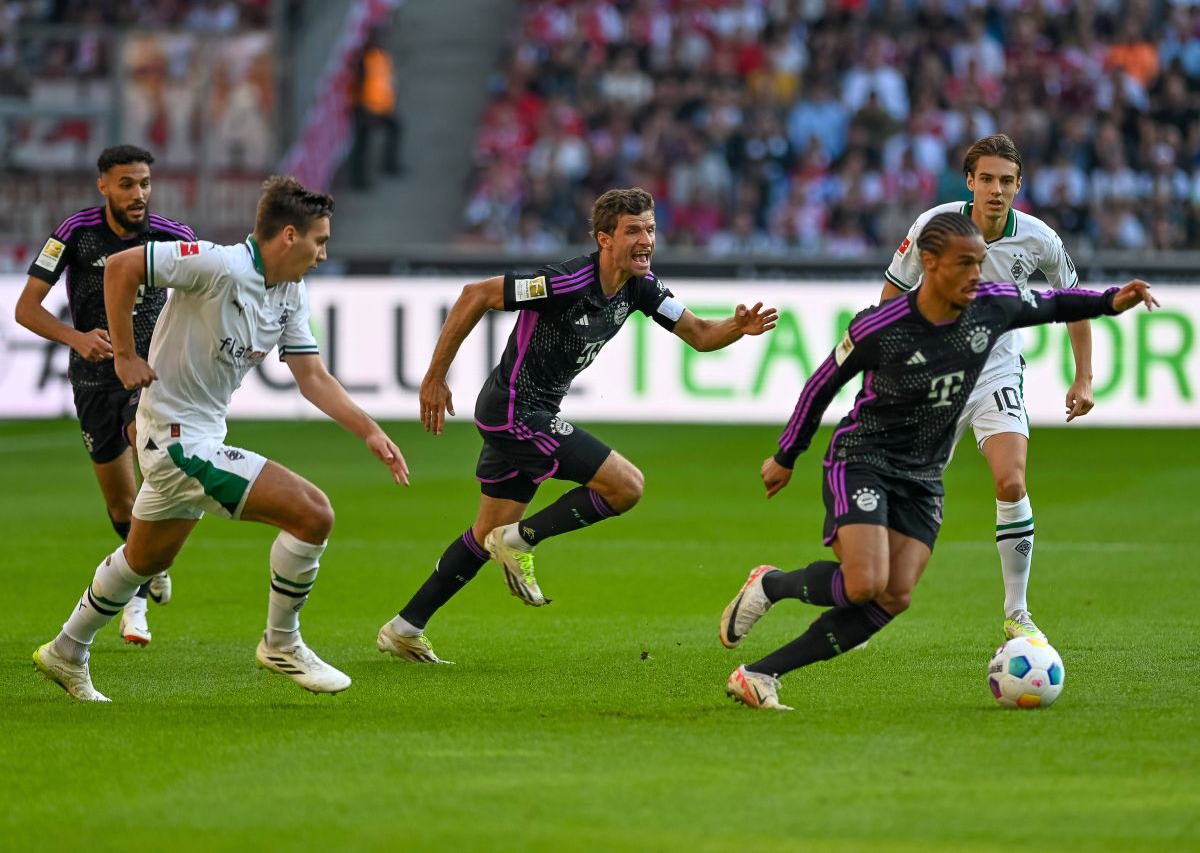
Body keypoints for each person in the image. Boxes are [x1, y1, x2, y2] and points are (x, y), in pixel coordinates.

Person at [719, 213, 1157, 710]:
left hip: (924, 475)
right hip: (863, 459)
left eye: (980, 263)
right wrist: (786, 455)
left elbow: (1054, 302)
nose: (978, 274)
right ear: (928, 263)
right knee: (864, 584)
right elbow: (821, 385)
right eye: (965, 263)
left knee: (894, 596)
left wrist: (1111, 300)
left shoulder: (991, 308)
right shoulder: (880, 326)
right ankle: (772, 585)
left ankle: (759, 674)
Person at [32, 176, 409, 702]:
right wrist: (123, 353)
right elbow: (121, 266)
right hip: (177, 440)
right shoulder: (217, 264)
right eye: (320, 241)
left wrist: (369, 430)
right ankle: (281, 643)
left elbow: (312, 375)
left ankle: (65, 651)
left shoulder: (289, 292)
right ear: (289, 235)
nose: (324, 254)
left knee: (144, 560)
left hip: (198, 434)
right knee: (313, 513)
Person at [377, 187, 777, 664]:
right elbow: (476, 294)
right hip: (513, 410)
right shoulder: (565, 282)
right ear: (605, 238)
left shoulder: (641, 288)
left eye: (650, 229)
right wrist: (435, 377)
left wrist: (738, 327)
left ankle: (404, 627)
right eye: (633, 231)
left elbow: (699, 334)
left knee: (486, 530)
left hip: (534, 413)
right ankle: (520, 540)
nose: (646, 239)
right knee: (626, 486)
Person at [880, 134, 1088, 642]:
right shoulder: (934, 225)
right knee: (904, 493)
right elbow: (892, 292)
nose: (997, 190)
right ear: (969, 181)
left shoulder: (1039, 238)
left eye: (1007, 181)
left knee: (1011, 481)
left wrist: (1083, 376)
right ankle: (867, 597)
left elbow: (1075, 300)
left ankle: (1017, 612)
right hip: (935, 377)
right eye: (988, 179)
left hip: (996, 370)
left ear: (1019, 186)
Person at [15, 144, 194, 647]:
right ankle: (148, 563)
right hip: (92, 380)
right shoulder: (74, 233)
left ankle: (133, 604)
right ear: (104, 186)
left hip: (149, 377)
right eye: (126, 185)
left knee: (147, 448)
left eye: (144, 184)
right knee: (121, 506)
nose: (138, 195)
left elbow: (212, 291)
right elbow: (26, 309)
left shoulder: (173, 237)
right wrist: (77, 338)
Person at [348, 26, 403, 189]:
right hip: (366, 109)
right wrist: (362, 110)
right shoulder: (364, 60)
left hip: (382, 108)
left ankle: (389, 165)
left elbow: (387, 83)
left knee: (395, 129)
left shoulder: (382, 57)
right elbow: (357, 86)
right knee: (362, 145)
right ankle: (358, 182)